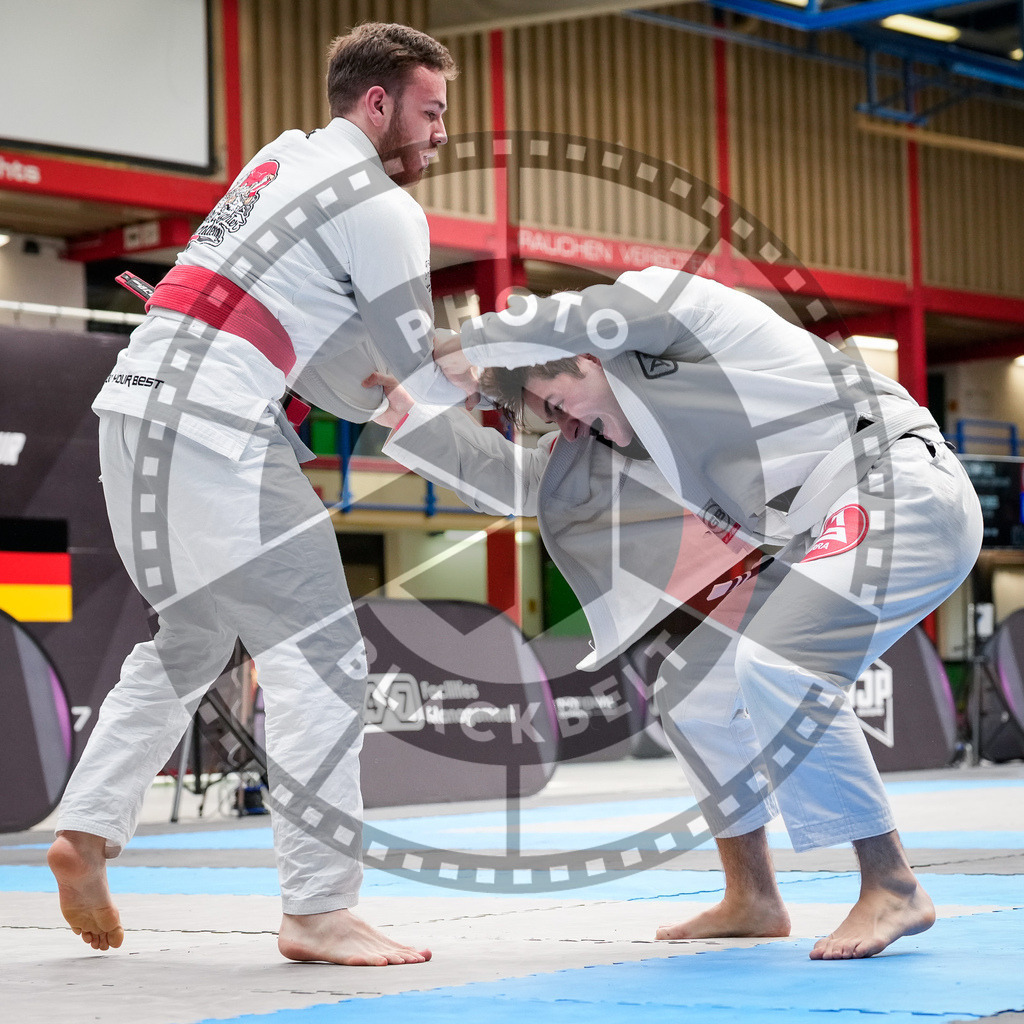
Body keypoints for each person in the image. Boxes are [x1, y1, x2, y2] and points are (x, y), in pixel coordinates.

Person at [373, 264, 983, 960]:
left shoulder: (694, 323)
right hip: (826, 529)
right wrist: (403, 410)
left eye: (561, 394)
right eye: (550, 413)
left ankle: (892, 883)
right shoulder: (618, 440)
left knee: (779, 661)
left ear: (588, 353)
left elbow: (591, 311)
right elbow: (513, 479)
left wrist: (474, 344)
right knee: (694, 689)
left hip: (900, 484)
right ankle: (752, 896)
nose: (567, 421)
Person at [47, 22, 460, 966]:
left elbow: (318, 343)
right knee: (324, 659)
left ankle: (89, 828)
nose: (441, 136)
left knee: (189, 639)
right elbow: (407, 374)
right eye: (431, 113)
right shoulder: (386, 209)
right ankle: (320, 906)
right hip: (214, 421)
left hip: (131, 409)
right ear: (379, 104)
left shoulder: (275, 163)